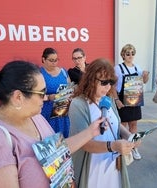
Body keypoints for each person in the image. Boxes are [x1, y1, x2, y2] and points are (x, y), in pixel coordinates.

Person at [0, 60, 106, 188]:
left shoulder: (36, 117)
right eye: (41, 93)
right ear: (18, 97)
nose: (45, 97)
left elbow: (56, 152)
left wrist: (91, 132)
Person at [69, 58, 139, 188]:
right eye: (104, 82)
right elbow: (84, 144)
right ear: (91, 80)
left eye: (111, 82)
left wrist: (131, 137)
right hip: (93, 167)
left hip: (113, 165)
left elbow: (116, 125)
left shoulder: (109, 99)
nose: (108, 87)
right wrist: (112, 146)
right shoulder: (78, 104)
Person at [113, 44, 149, 160]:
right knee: (122, 126)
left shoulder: (137, 68)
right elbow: (112, 86)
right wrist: (117, 100)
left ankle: (133, 147)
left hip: (135, 99)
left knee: (133, 125)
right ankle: (122, 148)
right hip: (122, 100)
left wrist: (145, 76)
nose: (130, 55)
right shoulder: (118, 68)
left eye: (132, 53)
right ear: (123, 55)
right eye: (128, 53)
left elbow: (144, 81)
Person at [40, 47, 71, 138]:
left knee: (63, 140)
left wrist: (69, 94)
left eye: (56, 60)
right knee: (50, 139)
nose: (54, 63)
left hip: (62, 112)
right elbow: (34, 95)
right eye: (51, 60)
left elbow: (69, 87)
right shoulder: (39, 73)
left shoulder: (63, 72)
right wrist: (49, 97)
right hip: (46, 112)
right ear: (43, 59)